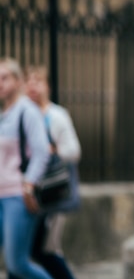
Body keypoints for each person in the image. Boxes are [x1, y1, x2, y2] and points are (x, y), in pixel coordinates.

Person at [14, 65, 81, 279]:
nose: (32, 86)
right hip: (27, 192)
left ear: (48, 87)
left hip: (51, 194)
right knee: (26, 250)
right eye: (29, 81)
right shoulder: (20, 114)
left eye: (38, 81)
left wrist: (52, 150)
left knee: (45, 250)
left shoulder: (57, 115)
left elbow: (74, 151)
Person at [0, 57, 53, 279]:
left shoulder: (26, 111)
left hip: (17, 197)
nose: (0, 83)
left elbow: (42, 152)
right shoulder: (3, 114)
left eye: (4, 78)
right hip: (2, 195)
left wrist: (29, 185)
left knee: (18, 263)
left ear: (18, 81)